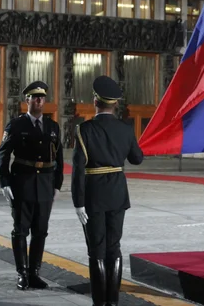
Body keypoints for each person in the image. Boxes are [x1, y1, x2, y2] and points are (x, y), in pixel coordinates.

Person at [72, 76, 144, 306]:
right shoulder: (125, 128)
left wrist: (78, 202)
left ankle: (100, 302)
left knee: (97, 250)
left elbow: (78, 169)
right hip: (117, 194)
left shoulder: (84, 129)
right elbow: (137, 159)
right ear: (114, 104)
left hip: (94, 196)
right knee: (114, 248)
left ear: (95, 100)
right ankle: (113, 301)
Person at [0, 81, 64, 290]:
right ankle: (22, 273)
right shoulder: (16, 125)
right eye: (34, 97)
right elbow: (3, 154)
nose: (38, 101)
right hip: (22, 182)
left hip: (45, 183)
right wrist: (4, 181)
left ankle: (35, 273)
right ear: (27, 100)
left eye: (42, 97)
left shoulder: (53, 127)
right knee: (20, 230)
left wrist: (58, 183)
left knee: (41, 231)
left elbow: (59, 157)